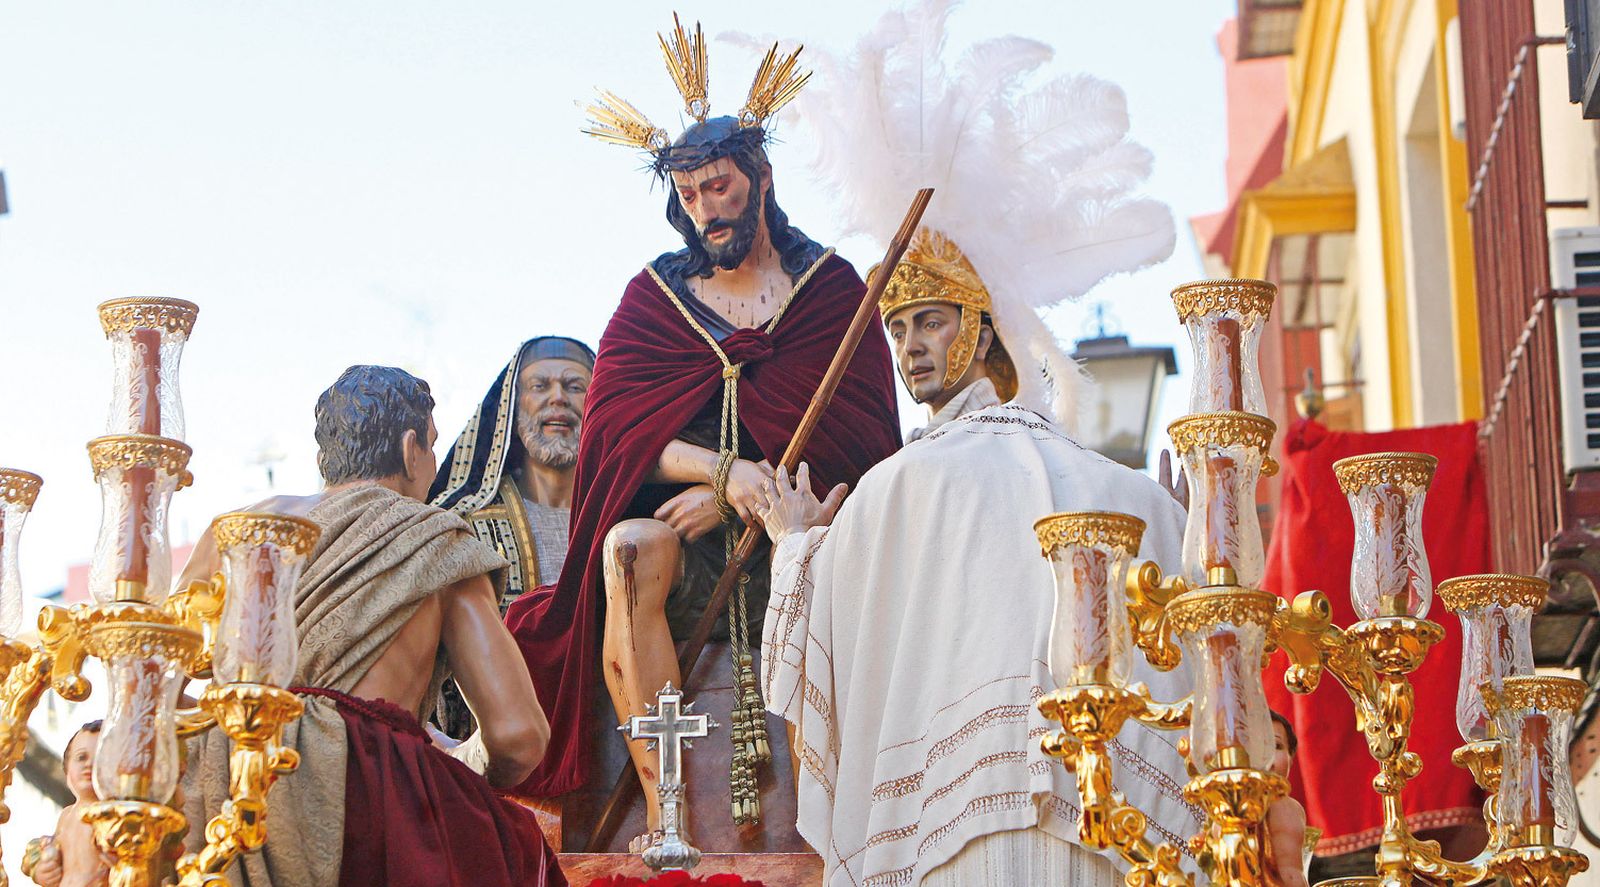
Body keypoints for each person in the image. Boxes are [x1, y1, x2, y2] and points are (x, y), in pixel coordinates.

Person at [757, 5, 1305, 884]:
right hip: (1102, 830)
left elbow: (820, 649)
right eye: (896, 329)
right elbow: (1203, 638)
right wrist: (1180, 526)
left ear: (982, 328)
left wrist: (793, 550)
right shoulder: (1101, 491)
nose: (910, 348)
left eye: (930, 321)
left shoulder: (896, 493)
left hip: (956, 841)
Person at [502, 15, 900, 842]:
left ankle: (839, 807)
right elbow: (614, 429)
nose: (705, 210)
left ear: (759, 177)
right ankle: (667, 806)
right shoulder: (654, 296)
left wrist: (748, 499)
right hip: (685, 545)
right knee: (628, 546)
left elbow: (862, 437)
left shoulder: (829, 290)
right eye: (688, 196)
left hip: (804, 530)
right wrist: (720, 474)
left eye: (719, 187)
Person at [179, 365, 565, 887]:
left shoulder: (237, 532)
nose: (433, 470)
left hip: (228, 789)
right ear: (411, 449)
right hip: (369, 792)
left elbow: (154, 691)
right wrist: (450, 759)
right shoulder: (436, 539)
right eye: (432, 448)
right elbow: (519, 736)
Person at [430, 336, 595, 739]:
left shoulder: (626, 514)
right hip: (498, 752)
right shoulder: (462, 526)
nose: (558, 399)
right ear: (510, 407)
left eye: (575, 386)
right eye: (540, 386)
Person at [24, 721, 109, 887]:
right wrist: (44, 869)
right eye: (81, 757)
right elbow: (50, 853)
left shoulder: (111, 814)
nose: (89, 764)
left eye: (101, 756)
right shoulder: (66, 816)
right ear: (67, 770)